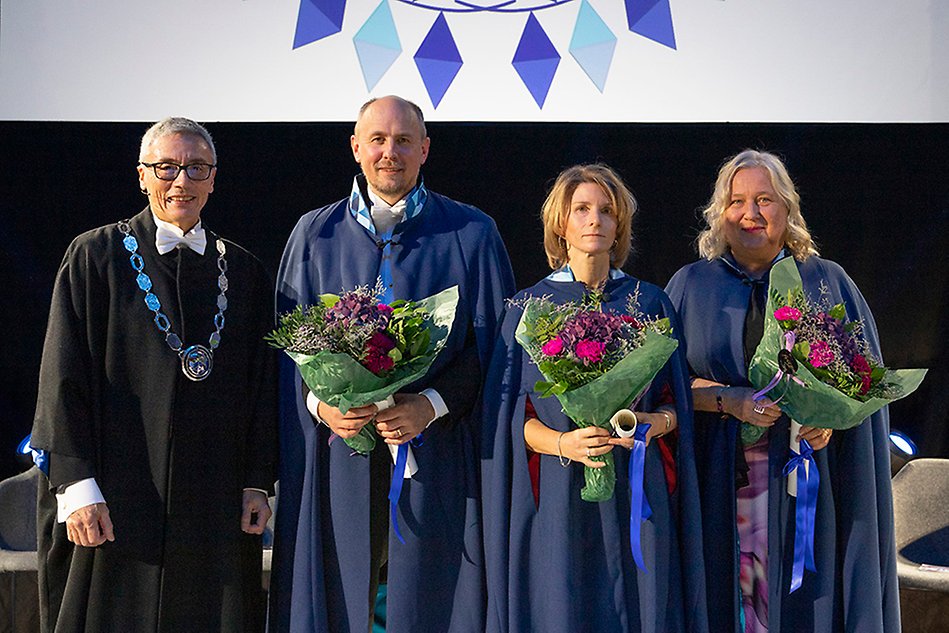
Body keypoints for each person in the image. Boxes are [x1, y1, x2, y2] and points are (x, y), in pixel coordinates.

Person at [270, 95, 515, 633]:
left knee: (433, 600)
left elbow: (498, 359)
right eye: (377, 140)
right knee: (339, 598)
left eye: (404, 140)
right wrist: (322, 405)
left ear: (425, 149)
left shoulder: (471, 234)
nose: (390, 152)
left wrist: (430, 404)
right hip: (340, 458)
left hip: (439, 456)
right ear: (356, 147)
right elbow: (288, 355)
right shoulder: (314, 235)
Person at [30, 117, 278, 633]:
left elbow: (261, 388)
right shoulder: (93, 256)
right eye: (167, 167)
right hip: (115, 500)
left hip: (213, 500)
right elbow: (61, 374)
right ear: (142, 175)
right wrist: (75, 486)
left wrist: (257, 481)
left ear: (214, 179)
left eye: (196, 168)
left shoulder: (247, 272)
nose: (181, 181)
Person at [665, 150, 899, 632]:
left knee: (800, 606)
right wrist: (728, 400)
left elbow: (863, 383)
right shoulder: (691, 286)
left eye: (764, 199)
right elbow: (663, 391)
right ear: (719, 215)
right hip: (718, 481)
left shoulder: (826, 281)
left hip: (807, 480)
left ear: (787, 210)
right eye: (737, 201)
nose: (750, 213)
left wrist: (830, 418)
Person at [481, 164, 708, 632]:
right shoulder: (526, 309)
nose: (595, 220)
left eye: (607, 211)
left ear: (619, 224)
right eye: (581, 209)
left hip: (636, 486)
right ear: (560, 224)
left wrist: (649, 423)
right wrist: (566, 444)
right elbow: (509, 419)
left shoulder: (650, 303)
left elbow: (675, 405)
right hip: (557, 496)